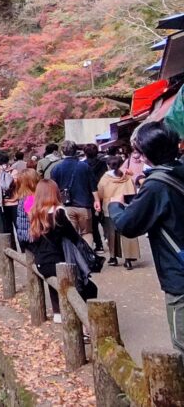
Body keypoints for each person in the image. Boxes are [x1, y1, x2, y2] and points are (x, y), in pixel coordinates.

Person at [108, 121, 184, 355]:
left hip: (179, 275)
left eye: (138, 152)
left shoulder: (156, 186)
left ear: (148, 152)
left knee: (181, 344)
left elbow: (128, 225)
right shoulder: (176, 173)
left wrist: (114, 206)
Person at [28, 179, 99, 323]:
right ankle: (84, 322)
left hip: (41, 262)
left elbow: (33, 242)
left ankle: (58, 313)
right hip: (59, 263)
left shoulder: (35, 212)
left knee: (57, 283)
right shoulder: (58, 213)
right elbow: (73, 236)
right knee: (89, 288)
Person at [97, 155, 140, 268]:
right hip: (126, 207)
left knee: (112, 233)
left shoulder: (105, 179)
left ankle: (113, 257)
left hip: (109, 207)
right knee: (127, 232)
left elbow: (100, 194)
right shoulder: (127, 178)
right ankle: (129, 258)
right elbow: (133, 193)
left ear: (108, 165)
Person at [49, 140, 99, 236]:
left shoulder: (56, 168)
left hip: (65, 206)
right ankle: (87, 250)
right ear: (76, 150)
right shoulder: (85, 166)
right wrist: (96, 201)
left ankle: (76, 251)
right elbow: (93, 186)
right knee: (87, 233)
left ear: (62, 152)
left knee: (72, 235)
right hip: (84, 204)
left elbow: (53, 189)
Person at [84, 143, 108, 252]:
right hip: (103, 193)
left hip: (89, 195)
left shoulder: (83, 165)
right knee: (104, 219)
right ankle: (108, 237)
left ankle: (99, 244)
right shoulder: (103, 164)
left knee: (93, 222)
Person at [13, 168, 40, 251]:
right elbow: (33, 218)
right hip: (31, 238)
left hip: (25, 236)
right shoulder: (30, 199)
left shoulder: (24, 197)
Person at [0, 152, 18, 234]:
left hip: (14, 203)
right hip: (2, 203)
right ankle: (10, 246)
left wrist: (3, 173)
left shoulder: (13, 172)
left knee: (17, 226)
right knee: (7, 228)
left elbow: (7, 185)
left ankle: (22, 245)